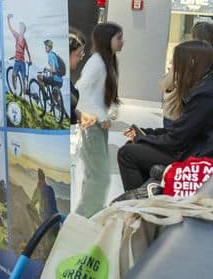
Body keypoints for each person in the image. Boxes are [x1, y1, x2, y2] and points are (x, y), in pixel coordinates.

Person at [118, 40, 213, 190]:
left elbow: (176, 139)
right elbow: (181, 130)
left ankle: (137, 205)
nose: (171, 65)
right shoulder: (204, 88)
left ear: (191, 63)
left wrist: (142, 138)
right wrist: (147, 134)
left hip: (198, 159)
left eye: (175, 62)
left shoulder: (204, 95)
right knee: (133, 147)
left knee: (127, 153)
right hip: (194, 150)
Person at [74, 22, 124, 216]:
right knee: (100, 176)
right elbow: (80, 91)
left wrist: (108, 114)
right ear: (107, 39)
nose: (122, 42)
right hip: (91, 125)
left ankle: (87, 215)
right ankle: (86, 216)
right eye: (118, 38)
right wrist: (98, 115)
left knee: (94, 174)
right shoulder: (96, 62)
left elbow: (103, 95)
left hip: (97, 125)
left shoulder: (108, 61)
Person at [160, 21, 213, 123]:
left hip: (177, 110)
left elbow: (168, 85)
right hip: (199, 117)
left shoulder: (186, 54)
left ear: (193, 36)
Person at [6, 14, 33, 94]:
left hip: (22, 62)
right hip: (17, 61)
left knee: (24, 79)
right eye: (20, 27)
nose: (20, 29)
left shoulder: (24, 40)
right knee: (13, 75)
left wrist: (30, 59)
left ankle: (24, 96)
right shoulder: (17, 36)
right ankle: (15, 91)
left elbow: (27, 51)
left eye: (22, 28)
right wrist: (8, 19)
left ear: (23, 30)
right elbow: (10, 29)